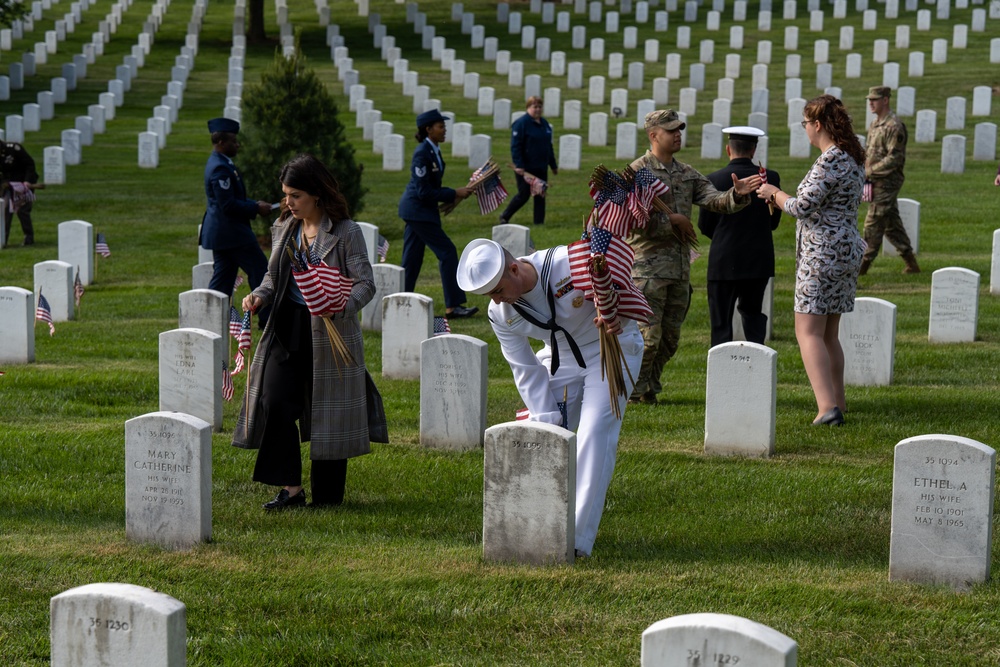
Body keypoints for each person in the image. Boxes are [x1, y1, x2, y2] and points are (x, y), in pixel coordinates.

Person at [456, 239, 644, 558]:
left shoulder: (569, 264)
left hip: (610, 345)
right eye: (490, 296)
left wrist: (611, 308)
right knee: (538, 437)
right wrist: (547, 419)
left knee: (596, 432)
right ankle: (541, 522)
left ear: (514, 268)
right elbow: (524, 367)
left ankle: (575, 540)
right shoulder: (500, 313)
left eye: (498, 290)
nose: (496, 300)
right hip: (561, 358)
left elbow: (619, 291)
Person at [233, 155, 383, 509]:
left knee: (328, 410)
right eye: (285, 194)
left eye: (295, 195)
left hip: (330, 331)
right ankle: (291, 488)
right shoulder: (285, 227)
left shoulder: (346, 232)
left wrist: (340, 306)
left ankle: (328, 495)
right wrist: (258, 295)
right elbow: (274, 277)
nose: (288, 202)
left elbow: (366, 284)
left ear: (317, 193)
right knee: (274, 400)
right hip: (287, 327)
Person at [625, 109, 761, 405]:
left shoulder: (685, 173)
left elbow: (715, 200)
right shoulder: (637, 173)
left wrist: (737, 195)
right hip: (647, 271)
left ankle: (650, 387)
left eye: (679, 130)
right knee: (648, 339)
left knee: (670, 340)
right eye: (671, 130)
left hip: (679, 269)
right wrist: (673, 221)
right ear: (653, 135)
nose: (677, 135)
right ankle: (634, 393)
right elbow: (632, 222)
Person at [756, 95, 867, 427]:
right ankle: (838, 402)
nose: (804, 129)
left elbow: (801, 206)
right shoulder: (852, 157)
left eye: (805, 123)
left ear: (817, 125)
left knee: (807, 331)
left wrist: (773, 193)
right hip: (845, 250)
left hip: (823, 253)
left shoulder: (830, 160)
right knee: (829, 333)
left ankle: (826, 407)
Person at [698, 127, 782, 347]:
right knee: (753, 314)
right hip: (758, 259)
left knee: (720, 322)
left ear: (728, 149)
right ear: (753, 150)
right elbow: (773, 222)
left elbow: (704, 225)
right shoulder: (770, 178)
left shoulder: (713, 179)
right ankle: (757, 361)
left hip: (723, 259)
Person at [398, 109, 478, 318]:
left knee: (412, 259)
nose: (444, 130)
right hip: (418, 211)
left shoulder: (433, 150)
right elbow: (424, 191)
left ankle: (400, 301)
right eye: (441, 126)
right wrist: (454, 193)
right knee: (447, 252)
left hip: (420, 211)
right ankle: (453, 306)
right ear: (428, 129)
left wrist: (454, 195)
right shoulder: (422, 153)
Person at [199, 118, 274, 327]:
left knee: (223, 279)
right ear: (221, 142)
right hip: (232, 233)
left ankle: (208, 319)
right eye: (233, 141)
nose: (237, 144)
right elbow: (228, 205)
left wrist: (255, 205)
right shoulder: (220, 168)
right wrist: (256, 208)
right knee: (261, 270)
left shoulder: (222, 164)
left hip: (226, 233)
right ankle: (267, 318)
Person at [860, 86, 920, 275]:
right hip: (874, 181)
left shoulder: (894, 126)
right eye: (869, 99)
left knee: (874, 221)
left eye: (875, 99)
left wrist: (870, 170)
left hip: (888, 182)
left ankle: (861, 266)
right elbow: (870, 152)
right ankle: (911, 263)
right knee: (891, 223)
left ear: (885, 100)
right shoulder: (875, 124)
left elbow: (895, 158)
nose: (871, 102)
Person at [498, 96, 558, 226]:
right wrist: (519, 164)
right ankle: (505, 215)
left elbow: (549, 146)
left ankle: (539, 222)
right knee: (524, 194)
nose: (537, 109)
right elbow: (516, 146)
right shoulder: (521, 124)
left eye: (539, 107)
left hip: (541, 166)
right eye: (534, 107)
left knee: (540, 194)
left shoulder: (545, 124)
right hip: (525, 167)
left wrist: (553, 165)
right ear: (528, 108)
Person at [0, 138, 40, 246]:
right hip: (8, 185)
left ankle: (28, 237)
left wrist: (27, 181)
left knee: (23, 211)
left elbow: (29, 164)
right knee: (5, 211)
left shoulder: (13, 148)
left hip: (24, 184)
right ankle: (3, 240)